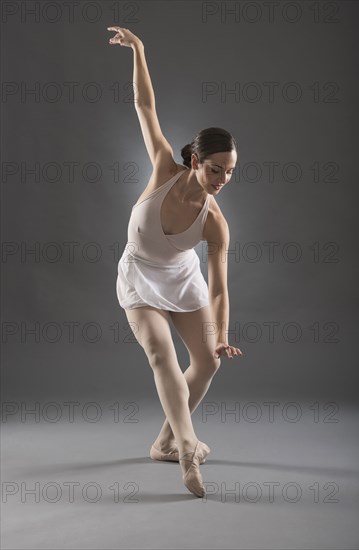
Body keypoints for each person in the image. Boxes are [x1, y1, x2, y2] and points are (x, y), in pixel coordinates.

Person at [107, 26, 243, 498]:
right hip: (140, 277)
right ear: (194, 160)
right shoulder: (164, 167)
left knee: (207, 362)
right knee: (160, 353)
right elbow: (146, 107)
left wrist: (222, 337)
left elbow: (220, 285)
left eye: (230, 171)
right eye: (215, 169)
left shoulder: (215, 222)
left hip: (182, 283)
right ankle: (187, 445)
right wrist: (139, 51)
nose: (223, 178)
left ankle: (164, 441)